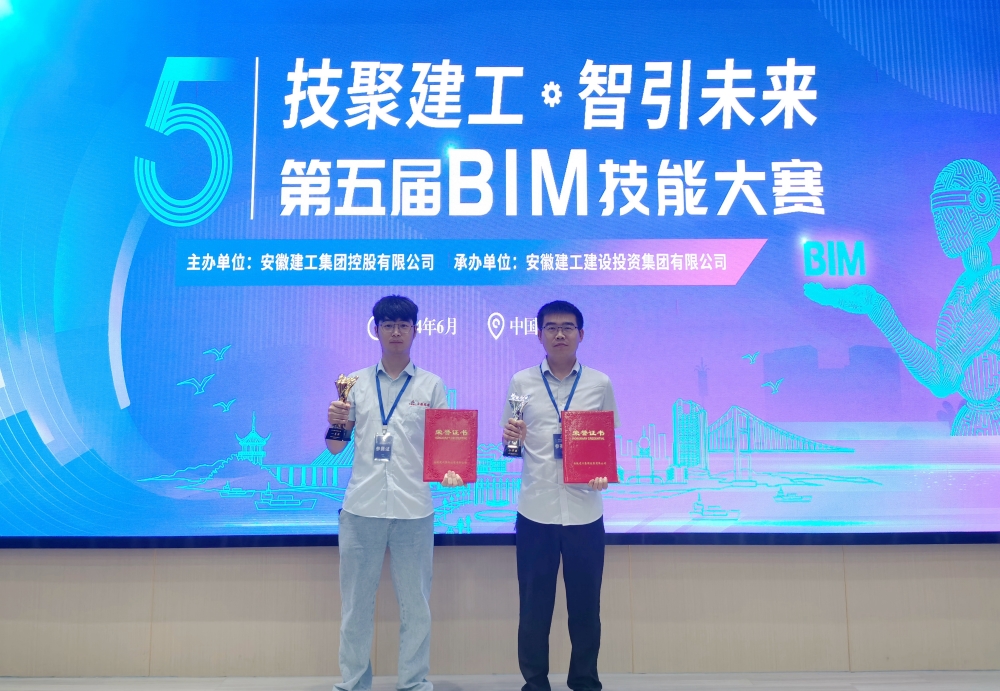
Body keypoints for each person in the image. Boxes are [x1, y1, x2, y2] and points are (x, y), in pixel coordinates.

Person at [326, 295, 463, 691]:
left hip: (413, 508)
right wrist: (336, 422)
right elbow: (334, 447)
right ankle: (353, 683)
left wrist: (451, 471)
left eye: (404, 325)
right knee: (355, 606)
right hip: (361, 508)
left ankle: (414, 683)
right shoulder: (355, 383)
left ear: (415, 331)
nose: (396, 332)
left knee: (416, 607)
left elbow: (444, 444)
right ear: (377, 330)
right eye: (388, 325)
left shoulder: (431, 385)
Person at [501, 300, 618, 691]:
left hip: (585, 512)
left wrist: (601, 472)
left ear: (581, 334)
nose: (560, 334)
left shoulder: (599, 383)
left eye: (568, 327)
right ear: (539, 335)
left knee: (586, 609)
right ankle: (535, 683)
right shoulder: (521, 382)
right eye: (551, 328)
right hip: (536, 511)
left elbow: (606, 440)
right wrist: (512, 440)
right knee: (534, 609)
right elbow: (511, 446)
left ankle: (584, 681)